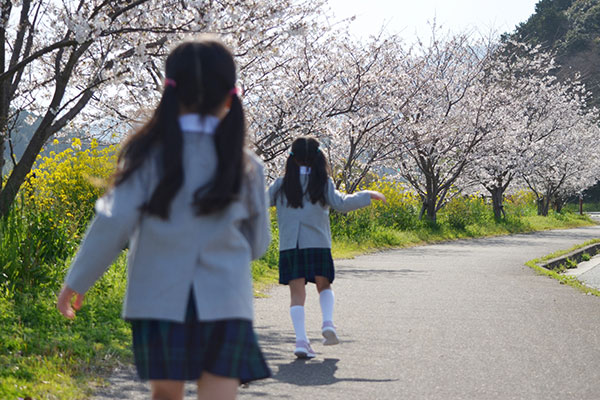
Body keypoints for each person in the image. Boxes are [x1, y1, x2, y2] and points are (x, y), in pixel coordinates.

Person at [57, 38, 271, 400]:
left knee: (166, 395)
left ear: (169, 91)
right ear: (230, 96)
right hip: (225, 301)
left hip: (158, 299)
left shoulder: (146, 156)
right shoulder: (247, 165)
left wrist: (77, 280)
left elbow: (113, 223)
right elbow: (259, 243)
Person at [268, 137, 386, 359]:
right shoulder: (323, 183)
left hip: (290, 246)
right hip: (318, 243)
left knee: (296, 294)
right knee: (324, 285)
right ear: (317, 158)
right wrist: (367, 194)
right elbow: (341, 204)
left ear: (291, 159)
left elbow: (257, 202)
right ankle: (328, 322)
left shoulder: (280, 184)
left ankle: (301, 341)